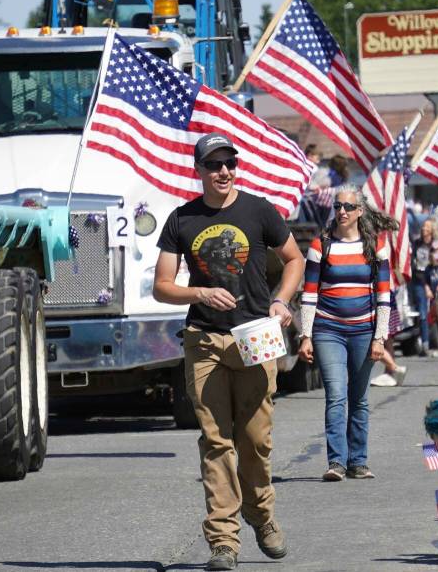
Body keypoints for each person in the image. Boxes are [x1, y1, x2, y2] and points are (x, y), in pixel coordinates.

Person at [153, 133, 301, 571]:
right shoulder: (182, 219)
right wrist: (199, 292)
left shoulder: (258, 211)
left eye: (229, 163)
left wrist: (281, 301)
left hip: (255, 336)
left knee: (255, 441)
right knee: (216, 442)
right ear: (199, 170)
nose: (223, 172)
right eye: (214, 165)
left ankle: (262, 514)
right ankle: (223, 540)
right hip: (204, 340)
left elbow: (294, 258)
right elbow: (162, 285)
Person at [297, 185, 395, 482]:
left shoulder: (375, 245)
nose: (342, 211)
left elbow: (384, 295)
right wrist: (306, 335)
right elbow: (309, 293)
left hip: (364, 331)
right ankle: (337, 463)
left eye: (348, 207)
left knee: (359, 397)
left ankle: (359, 462)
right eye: (338, 206)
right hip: (329, 330)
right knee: (336, 394)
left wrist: (379, 338)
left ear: (359, 212)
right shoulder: (320, 245)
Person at [411, 217, 438, 355]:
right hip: (420, 281)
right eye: (423, 227)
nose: (424, 229)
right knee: (423, 313)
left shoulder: (436, 244)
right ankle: (425, 345)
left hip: (435, 279)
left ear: (432, 230)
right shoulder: (417, 243)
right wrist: (425, 286)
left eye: (427, 227)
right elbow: (413, 264)